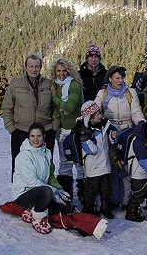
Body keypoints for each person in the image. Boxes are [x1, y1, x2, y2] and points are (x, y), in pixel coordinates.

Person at [95, 66, 145, 210]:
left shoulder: (130, 93)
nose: (120, 81)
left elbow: (136, 111)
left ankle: (125, 199)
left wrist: (141, 124)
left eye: (122, 78)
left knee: (125, 166)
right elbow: (96, 108)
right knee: (111, 166)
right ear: (110, 79)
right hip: (109, 131)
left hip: (127, 132)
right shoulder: (103, 94)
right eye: (117, 78)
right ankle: (112, 199)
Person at [2, 54, 58, 182]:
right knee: (19, 166)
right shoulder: (16, 85)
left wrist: (54, 127)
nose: (34, 69)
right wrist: (12, 129)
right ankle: (20, 195)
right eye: (31, 66)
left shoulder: (48, 84)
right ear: (26, 67)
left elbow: (55, 107)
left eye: (37, 66)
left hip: (46, 131)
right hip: (21, 131)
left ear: (40, 68)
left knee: (45, 166)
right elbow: (6, 108)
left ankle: (46, 194)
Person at [12, 123, 72, 234]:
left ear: (44, 136)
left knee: (67, 206)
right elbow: (31, 181)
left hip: (42, 191)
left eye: (38, 136)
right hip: (24, 194)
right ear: (28, 137)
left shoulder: (47, 153)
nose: (35, 139)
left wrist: (60, 190)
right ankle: (38, 219)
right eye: (32, 136)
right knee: (47, 191)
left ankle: (31, 211)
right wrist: (53, 191)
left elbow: (50, 176)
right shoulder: (24, 156)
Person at [73, 101, 118, 219]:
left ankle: (105, 207)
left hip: (105, 166)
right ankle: (88, 208)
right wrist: (86, 137)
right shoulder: (84, 133)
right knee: (91, 190)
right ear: (90, 118)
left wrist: (113, 138)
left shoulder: (104, 126)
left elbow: (109, 144)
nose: (100, 116)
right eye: (97, 114)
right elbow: (91, 150)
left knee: (106, 190)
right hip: (93, 168)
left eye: (99, 113)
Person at [50, 58, 85, 203]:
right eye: (59, 71)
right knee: (65, 163)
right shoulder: (56, 85)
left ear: (69, 71)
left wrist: (55, 98)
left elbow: (69, 107)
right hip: (62, 130)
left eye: (65, 70)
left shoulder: (74, 85)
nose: (62, 74)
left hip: (76, 130)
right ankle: (66, 194)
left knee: (79, 163)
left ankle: (85, 196)